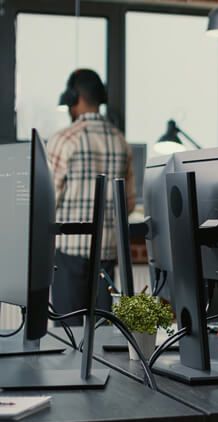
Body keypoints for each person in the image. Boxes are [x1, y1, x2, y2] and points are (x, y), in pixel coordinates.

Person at [47, 68, 135, 325]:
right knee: (103, 340)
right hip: (106, 255)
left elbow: (48, 202)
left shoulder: (63, 140)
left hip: (69, 256)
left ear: (74, 99)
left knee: (67, 338)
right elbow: (127, 204)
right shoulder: (121, 141)